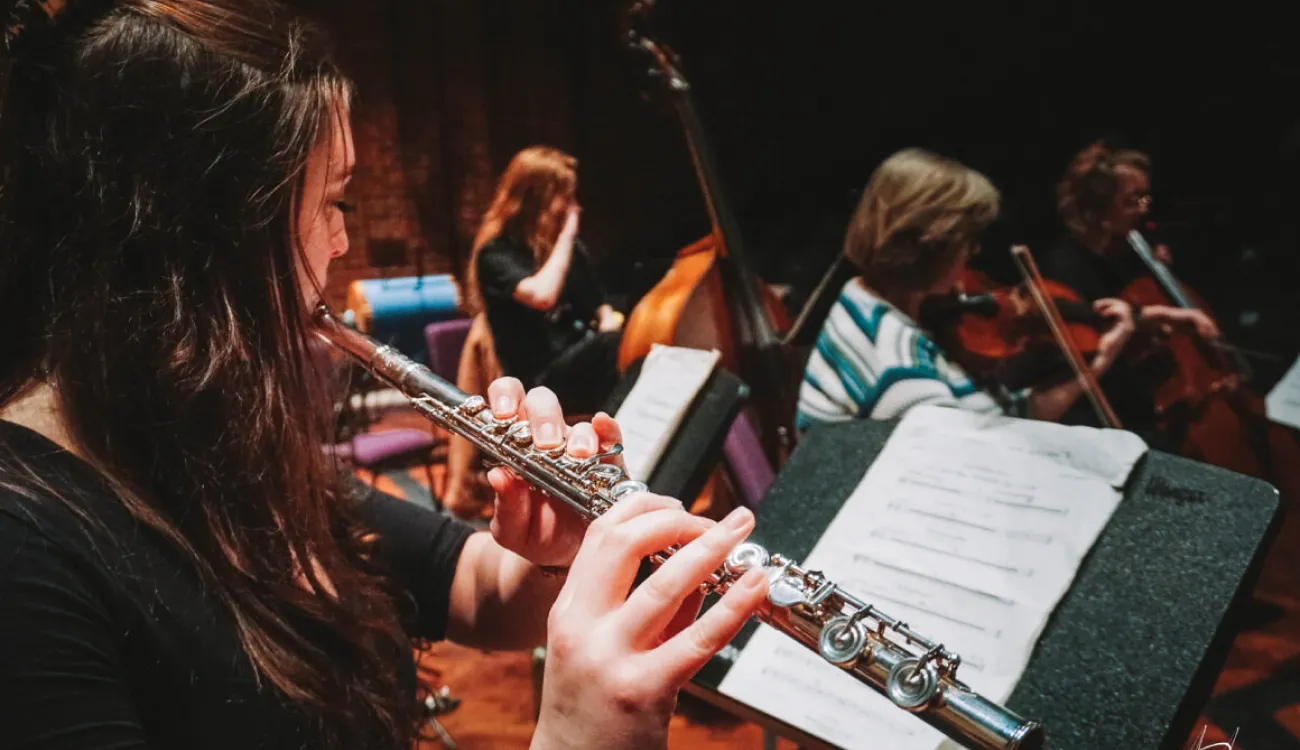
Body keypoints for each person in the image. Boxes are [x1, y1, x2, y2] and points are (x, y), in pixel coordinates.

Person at [0, 2, 769, 749]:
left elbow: (469, 584)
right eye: (333, 201)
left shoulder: (213, 444)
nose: (339, 241)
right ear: (197, 237)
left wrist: (555, 555)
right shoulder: (25, 552)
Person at [796, 148, 1135, 431]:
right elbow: (977, 468)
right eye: (968, 241)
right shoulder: (899, 368)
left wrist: (1096, 362)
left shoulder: (864, 295)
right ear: (934, 248)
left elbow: (1005, 418)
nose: (974, 253)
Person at [1041, 142, 1221, 439]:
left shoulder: (1125, 258)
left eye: (1145, 198)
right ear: (1098, 211)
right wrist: (1159, 314)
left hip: (1135, 396)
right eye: (1132, 200)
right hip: (1095, 411)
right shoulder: (1063, 267)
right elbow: (1096, 320)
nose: (1143, 209)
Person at [466, 146, 624, 414]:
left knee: (630, 342)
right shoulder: (497, 253)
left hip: (581, 363)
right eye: (566, 198)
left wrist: (610, 324)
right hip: (539, 383)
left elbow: (600, 304)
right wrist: (567, 235)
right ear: (536, 200)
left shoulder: (569, 251)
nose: (574, 208)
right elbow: (542, 296)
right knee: (611, 346)